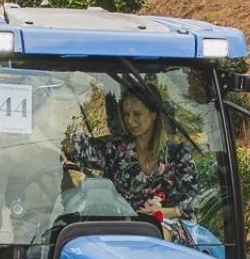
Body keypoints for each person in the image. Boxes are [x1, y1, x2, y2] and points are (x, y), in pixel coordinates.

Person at [71, 89, 198, 220]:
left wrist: (161, 213)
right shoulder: (115, 149)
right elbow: (77, 148)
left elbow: (189, 206)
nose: (130, 121)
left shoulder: (178, 154)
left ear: (153, 114)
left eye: (137, 114)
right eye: (126, 114)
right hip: (118, 228)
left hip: (162, 229)